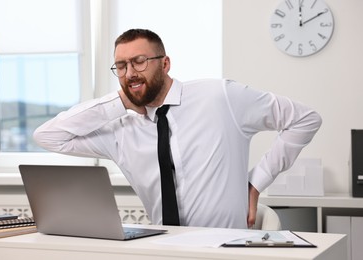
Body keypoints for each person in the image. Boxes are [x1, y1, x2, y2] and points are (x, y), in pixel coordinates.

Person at [34, 28, 322, 229]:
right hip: (164, 248)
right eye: (121, 66)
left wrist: (257, 181)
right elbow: (48, 136)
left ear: (166, 63)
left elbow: (305, 119)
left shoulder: (220, 98)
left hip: (225, 247)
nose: (130, 72)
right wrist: (118, 102)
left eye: (139, 61)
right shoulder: (121, 130)